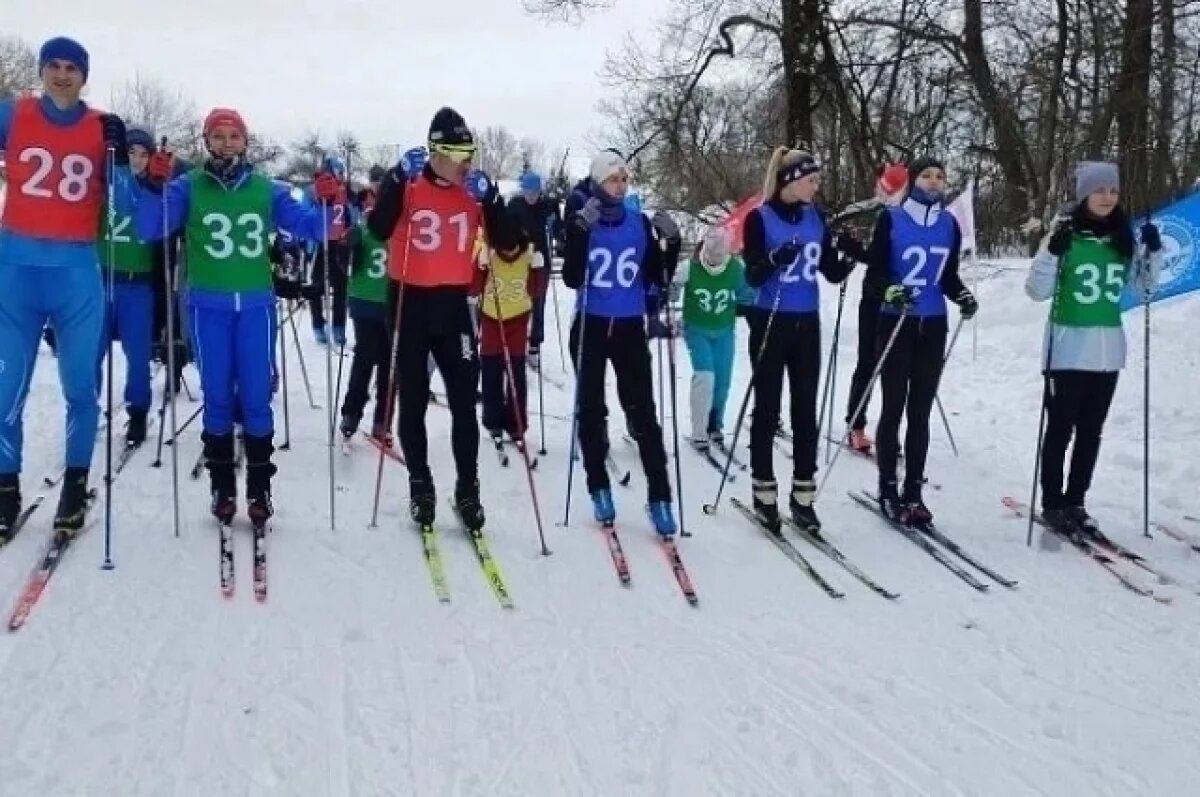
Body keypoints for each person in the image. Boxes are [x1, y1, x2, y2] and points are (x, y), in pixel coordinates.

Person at [136, 107, 337, 525]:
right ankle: (222, 486)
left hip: (255, 309)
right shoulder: (189, 186)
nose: (227, 142)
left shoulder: (266, 189)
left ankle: (260, 487)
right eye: (219, 135)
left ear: (246, 142)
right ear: (206, 141)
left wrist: (327, 200)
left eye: (234, 135)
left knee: (257, 395)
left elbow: (318, 230)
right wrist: (153, 184)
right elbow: (149, 228)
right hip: (207, 308)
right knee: (217, 396)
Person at [0, 36, 131, 539]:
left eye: (71, 67)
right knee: (6, 390)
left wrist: (119, 160)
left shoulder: (102, 127)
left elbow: (126, 206)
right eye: (52, 65)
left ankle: (75, 485)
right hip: (15, 271)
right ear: (41, 70)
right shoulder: (14, 114)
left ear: (84, 75)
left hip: (76, 274)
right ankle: (6, 489)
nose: (61, 74)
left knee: (80, 386)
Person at [367, 107, 516, 531]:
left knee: (465, 403)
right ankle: (421, 485)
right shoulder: (409, 186)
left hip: (452, 307)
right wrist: (396, 177)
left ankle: (468, 490)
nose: (466, 162)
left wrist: (494, 201)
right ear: (434, 152)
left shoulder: (473, 191)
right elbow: (377, 229)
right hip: (408, 303)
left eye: (470, 152)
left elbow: (507, 244)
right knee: (411, 399)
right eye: (457, 153)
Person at [1025, 161, 1161, 540]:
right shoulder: (1065, 233)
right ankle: (1052, 503)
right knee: (1060, 431)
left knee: (1091, 432)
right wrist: (1052, 251)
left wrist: (1153, 253)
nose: (1107, 197)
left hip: (1108, 353)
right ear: (1085, 194)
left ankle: (1076, 501)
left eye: (1113, 191)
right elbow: (1036, 291)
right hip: (1067, 351)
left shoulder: (1123, 239)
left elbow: (1144, 288)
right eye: (1099, 190)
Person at [562, 149, 682, 536]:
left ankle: (660, 496)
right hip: (592, 325)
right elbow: (571, 277)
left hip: (629, 327)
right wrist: (578, 233)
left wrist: (672, 245)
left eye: (624, 179)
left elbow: (656, 281)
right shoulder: (586, 219)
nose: (620, 185)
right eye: (613, 179)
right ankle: (598, 488)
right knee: (591, 410)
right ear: (598, 182)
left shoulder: (638, 222)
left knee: (643, 412)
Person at [863, 156, 977, 528]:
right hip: (896, 322)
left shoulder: (949, 224)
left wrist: (961, 295)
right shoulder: (892, 219)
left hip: (933, 324)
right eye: (926, 175)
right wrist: (891, 290)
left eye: (940, 176)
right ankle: (887, 486)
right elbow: (874, 276)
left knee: (921, 411)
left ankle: (914, 491)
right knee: (894, 405)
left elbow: (947, 278)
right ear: (912, 181)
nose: (934, 181)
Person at [742, 148, 852, 532]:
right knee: (768, 407)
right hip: (770, 319)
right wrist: (774, 258)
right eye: (812, 180)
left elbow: (832, 271)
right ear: (791, 180)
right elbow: (752, 277)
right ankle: (764, 490)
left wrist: (849, 256)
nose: (816, 186)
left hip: (806, 322)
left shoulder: (816, 217)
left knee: (806, 409)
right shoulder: (759, 217)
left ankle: (804, 495)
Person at [98, 125, 159, 449]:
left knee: (138, 355)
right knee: (91, 352)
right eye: (132, 153)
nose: (137, 160)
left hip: (138, 285)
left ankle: (138, 410)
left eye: (143, 155)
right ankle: (85, 408)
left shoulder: (154, 187)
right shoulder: (108, 181)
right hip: (102, 280)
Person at [843, 163, 907, 453]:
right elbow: (874, 259)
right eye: (882, 188)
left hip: (900, 299)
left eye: (889, 190)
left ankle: (888, 431)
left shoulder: (906, 216)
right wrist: (849, 247)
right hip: (874, 298)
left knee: (894, 366)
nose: (882, 193)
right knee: (868, 362)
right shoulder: (873, 212)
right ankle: (856, 424)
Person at [472, 225, 543, 445]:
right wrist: (479, 265)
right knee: (491, 370)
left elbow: (536, 290)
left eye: (514, 249)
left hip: (518, 318)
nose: (510, 254)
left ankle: (516, 423)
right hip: (492, 317)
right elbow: (473, 287)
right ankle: (492, 420)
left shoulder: (529, 253)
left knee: (516, 373)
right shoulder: (489, 252)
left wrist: (539, 269)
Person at [682, 226, 747, 450]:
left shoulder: (735, 269)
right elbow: (671, 285)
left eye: (720, 256)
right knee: (705, 377)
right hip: (697, 330)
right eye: (711, 255)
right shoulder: (690, 267)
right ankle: (698, 430)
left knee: (722, 383)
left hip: (724, 332)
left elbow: (747, 294)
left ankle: (714, 424)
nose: (715, 260)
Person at [339, 199, 393, 444]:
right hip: (365, 303)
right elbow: (344, 262)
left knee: (390, 365)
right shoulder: (361, 230)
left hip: (393, 306)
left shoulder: (401, 230)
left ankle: (383, 420)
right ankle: (351, 413)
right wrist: (346, 248)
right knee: (365, 357)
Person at [509, 170, 561, 368]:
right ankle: (517, 342)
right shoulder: (514, 205)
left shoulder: (548, 206)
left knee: (538, 304)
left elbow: (559, 233)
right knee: (519, 303)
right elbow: (506, 230)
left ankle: (534, 347)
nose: (531, 196)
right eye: (528, 192)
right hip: (519, 261)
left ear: (540, 191)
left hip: (541, 262)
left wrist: (555, 223)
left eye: (535, 192)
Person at [307, 153, 354, 348]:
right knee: (316, 287)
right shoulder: (313, 190)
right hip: (320, 243)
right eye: (338, 171)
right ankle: (319, 326)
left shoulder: (345, 191)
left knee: (341, 287)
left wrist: (350, 234)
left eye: (342, 172)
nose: (340, 176)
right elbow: (306, 214)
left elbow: (351, 215)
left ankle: (339, 328)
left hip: (339, 244)